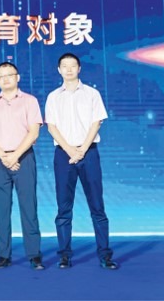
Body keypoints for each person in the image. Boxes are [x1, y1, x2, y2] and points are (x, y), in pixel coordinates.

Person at [45, 52, 118, 270]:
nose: (68, 69)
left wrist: (82, 149)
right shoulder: (53, 97)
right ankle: (64, 255)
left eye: (72, 65)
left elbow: (97, 122)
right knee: (63, 207)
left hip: (89, 152)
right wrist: (70, 150)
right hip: (63, 154)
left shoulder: (92, 94)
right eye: (64, 66)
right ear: (59, 70)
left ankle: (105, 255)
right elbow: (51, 127)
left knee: (97, 206)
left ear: (79, 68)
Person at [0, 62, 45, 270]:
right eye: (1, 76)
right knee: (1, 210)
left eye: (9, 75)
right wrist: (3, 156)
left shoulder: (30, 101)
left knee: (29, 208)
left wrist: (15, 156)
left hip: (24, 159)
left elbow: (34, 132)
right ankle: (3, 255)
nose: (5, 79)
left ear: (18, 77)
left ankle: (34, 255)